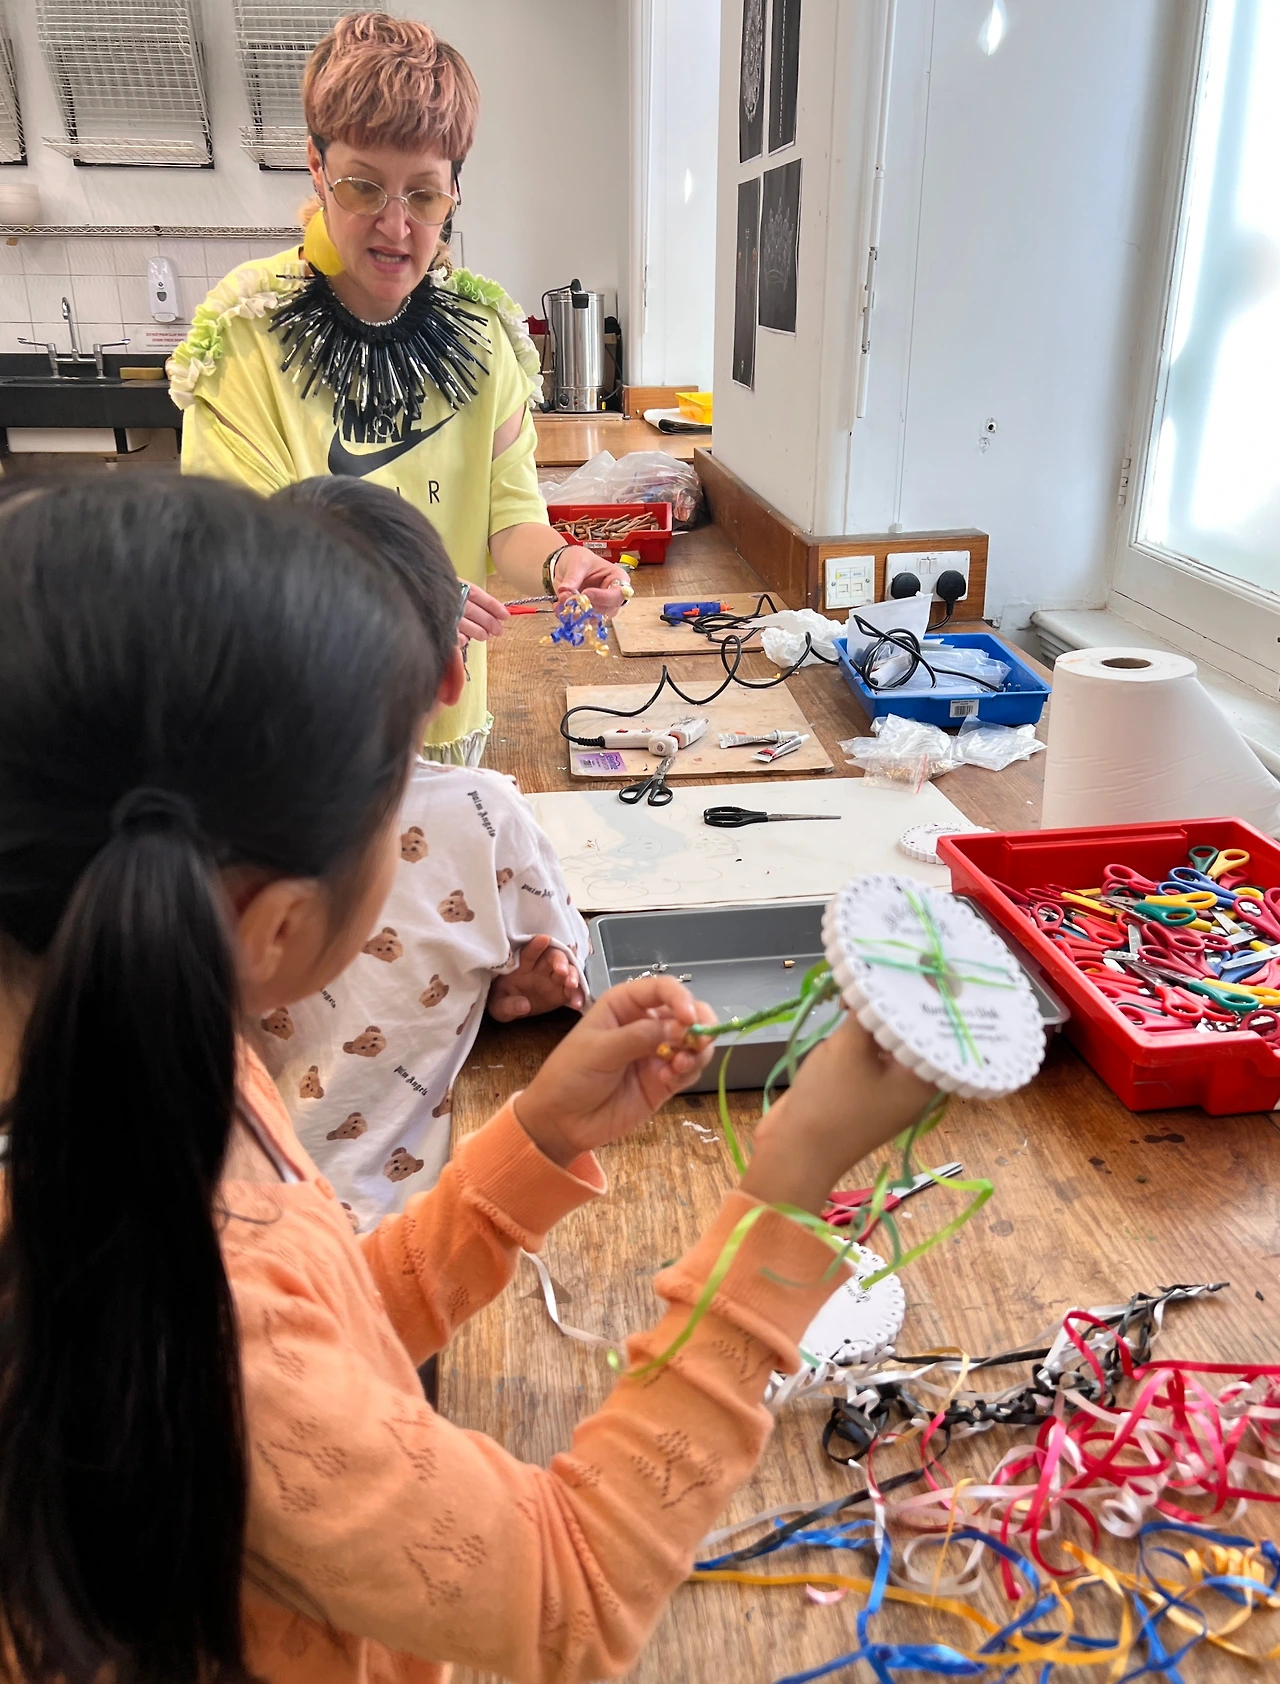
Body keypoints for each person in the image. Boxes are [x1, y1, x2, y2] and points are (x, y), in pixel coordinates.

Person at [0, 472, 937, 1682]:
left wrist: (530, 1143)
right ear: (274, 926)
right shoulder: (196, 1320)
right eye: (389, 806)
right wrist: (785, 1191)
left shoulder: (162, 1064)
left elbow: (316, 1319)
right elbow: (569, 1592)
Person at [168, 11, 628, 766]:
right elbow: (240, 557)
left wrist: (560, 564)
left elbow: (509, 519)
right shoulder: (246, 334)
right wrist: (409, 591)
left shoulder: (483, 336)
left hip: (442, 713)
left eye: (424, 195)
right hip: (306, 726)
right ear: (316, 168)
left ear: (455, 191)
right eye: (362, 187)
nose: (395, 225)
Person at [262, 476, 590, 1228]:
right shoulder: (482, 817)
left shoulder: (180, 823)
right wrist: (515, 991)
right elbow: (564, 963)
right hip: (397, 1243)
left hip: (214, 1243)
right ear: (451, 675)